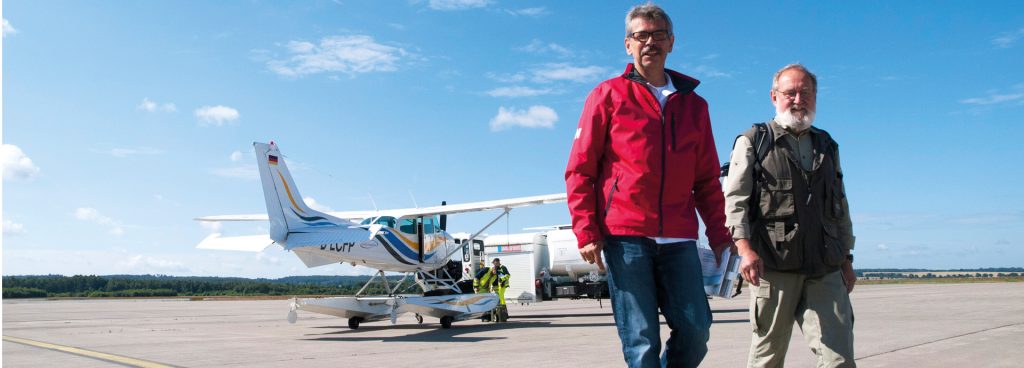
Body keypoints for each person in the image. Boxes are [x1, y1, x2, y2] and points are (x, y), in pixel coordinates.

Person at [564, 3, 733, 367]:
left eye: (658, 35)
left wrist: (720, 235)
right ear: (628, 44)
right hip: (626, 238)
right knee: (640, 341)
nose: (650, 42)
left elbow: (706, 179)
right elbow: (580, 170)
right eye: (641, 35)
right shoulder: (606, 95)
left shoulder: (695, 106)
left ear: (671, 42)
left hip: (679, 238)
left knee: (696, 331)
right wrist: (586, 230)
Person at [723, 63, 856, 368]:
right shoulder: (754, 141)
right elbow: (735, 202)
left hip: (825, 266)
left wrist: (846, 259)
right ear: (774, 96)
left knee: (840, 359)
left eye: (805, 92)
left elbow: (840, 206)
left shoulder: (827, 145)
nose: (798, 99)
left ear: (815, 97)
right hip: (773, 266)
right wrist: (744, 250)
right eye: (790, 93)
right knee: (767, 358)